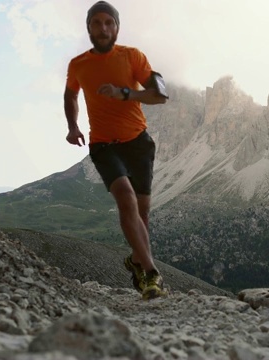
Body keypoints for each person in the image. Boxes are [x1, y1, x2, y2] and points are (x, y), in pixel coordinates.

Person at [63, 1, 168, 300]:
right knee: (125, 197)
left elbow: (160, 94)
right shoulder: (78, 64)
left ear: (117, 27)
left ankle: (136, 259)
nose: (103, 28)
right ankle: (151, 273)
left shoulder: (133, 56)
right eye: (96, 23)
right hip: (103, 145)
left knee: (142, 211)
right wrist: (73, 126)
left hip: (138, 142)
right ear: (89, 28)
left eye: (109, 22)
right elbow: (70, 94)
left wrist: (125, 93)